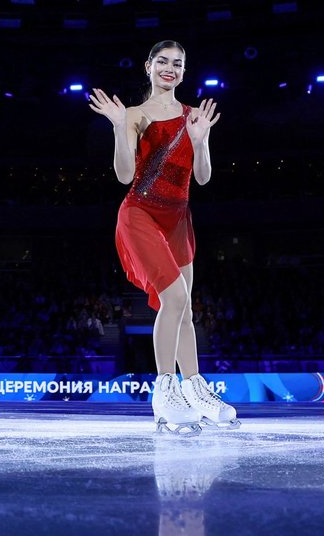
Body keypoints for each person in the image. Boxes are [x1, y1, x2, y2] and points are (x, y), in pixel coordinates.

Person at [89, 40, 239, 434]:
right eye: (162, 61)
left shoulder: (194, 116)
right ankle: (163, 392)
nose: (170, 68)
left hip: (178, 220)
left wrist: (201, 139)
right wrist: (121, 127)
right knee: (173, 299)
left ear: (184, 71)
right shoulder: (135, 114)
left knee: (186, 310)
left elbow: (203, 177)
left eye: (178, 63)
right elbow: (124, 174)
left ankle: (195, 391)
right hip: (140, 213)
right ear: (148, 67)